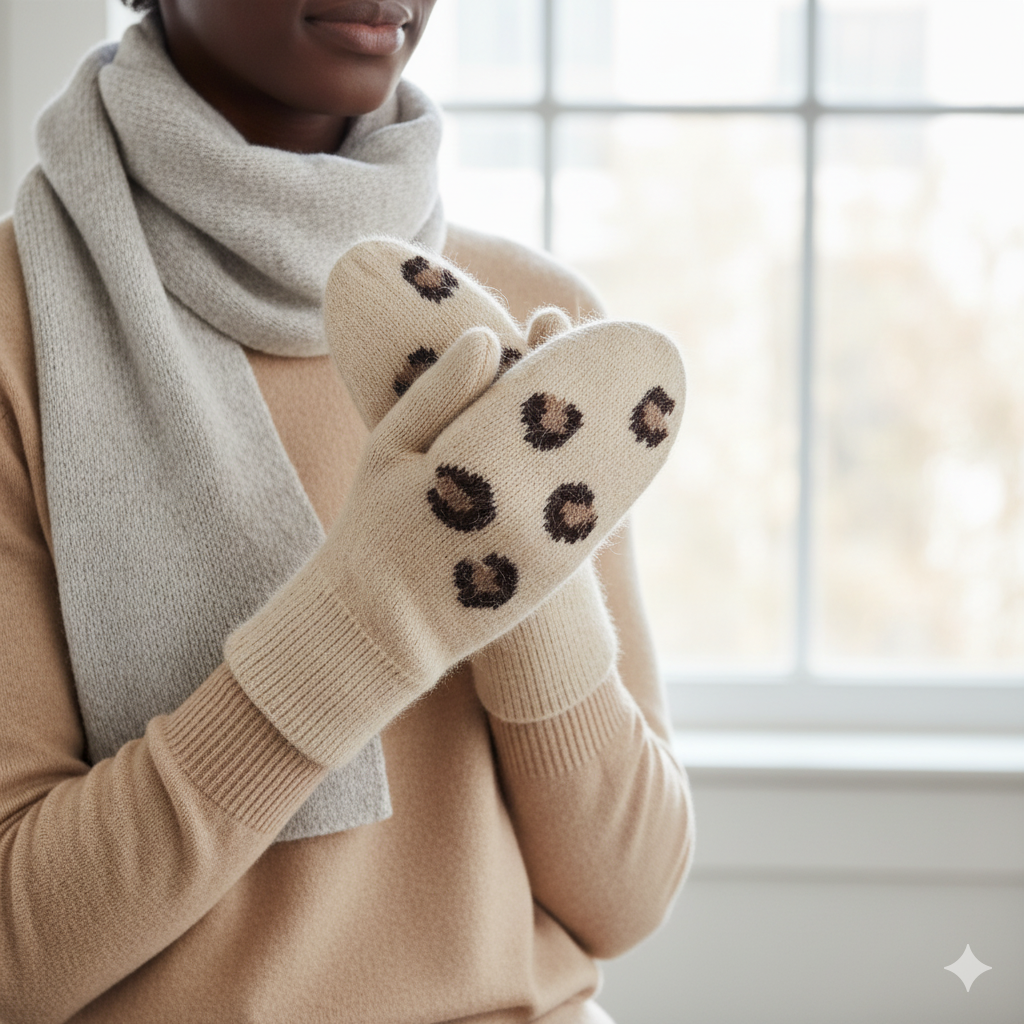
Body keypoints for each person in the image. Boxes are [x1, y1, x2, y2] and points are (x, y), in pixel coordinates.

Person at [0, 0, 694, 1020]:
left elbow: (626, 895)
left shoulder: (528, 318)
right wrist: (375, 616)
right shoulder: (19, 333)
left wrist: (517, 566)